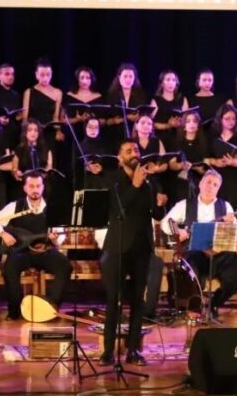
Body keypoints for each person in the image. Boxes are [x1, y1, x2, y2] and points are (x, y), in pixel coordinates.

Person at [162, 169, 237, 323]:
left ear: (218, 189)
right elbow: (166, 223)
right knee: (191, 269)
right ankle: (195, 307)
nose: (210, 187)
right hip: (194, 252)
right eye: (208, 182)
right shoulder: (185, 204)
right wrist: (178, 230)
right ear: (200, 184)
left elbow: (232, 230)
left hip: (219, 254)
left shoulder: (225, 206)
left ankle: (214, 303)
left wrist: (233, 223)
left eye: (215, 185)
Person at [100, 140, 156, 366]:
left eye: (136, 150)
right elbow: (118, 209)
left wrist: (158, 200)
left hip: (141, 248)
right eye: (128, 151)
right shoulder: (112, 180)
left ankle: (133, 350)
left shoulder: (148, 181)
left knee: (137, 302)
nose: (134, 153)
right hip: (117, 247)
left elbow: (152, 212)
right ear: (119, 157)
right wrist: (134, 185)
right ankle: (108, 351)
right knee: (113, 300)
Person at [0, 172, 72, 321]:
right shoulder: (15, 206)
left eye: (38, 186)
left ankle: (50, 308)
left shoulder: (52, 208)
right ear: (25, 188)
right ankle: (15, 311)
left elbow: (60, 239)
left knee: (65, 266)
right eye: (31, 186)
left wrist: (55, 238)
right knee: (9, 268)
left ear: (43, 187)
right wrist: (3, 234)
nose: (35, 189)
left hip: (44, 251)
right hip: (22, 252)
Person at [150, 69, 188, 133]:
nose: (171, 82)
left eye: (173, 80)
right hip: (161, 135)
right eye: (168, 80)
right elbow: (151, 123)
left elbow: (186, 120)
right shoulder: (156, 100)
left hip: (179, 136)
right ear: (162, 83)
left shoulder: (182, 99)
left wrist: (179, 123)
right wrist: (168, 125)